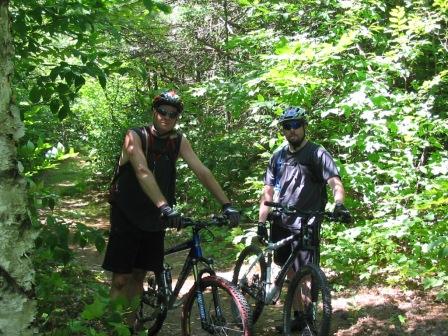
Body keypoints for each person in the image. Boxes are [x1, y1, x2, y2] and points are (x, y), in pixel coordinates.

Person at [102, 90, 240, 328]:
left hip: (154, 218)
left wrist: (226, 204)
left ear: (177, 118)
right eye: (162, 111)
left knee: (138, 275)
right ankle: (113, 330)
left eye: (172, 114)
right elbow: (142, 171)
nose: (166, 117)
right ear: (153, 112)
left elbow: (202, 171)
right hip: (127, 214)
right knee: (121, 279)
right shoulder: (135, 136)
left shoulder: (178, 141)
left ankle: (129, 327)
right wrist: (165, 207)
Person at [257, 106, 351, 333]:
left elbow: (335, 182)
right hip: (280, 221)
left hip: (307, 223)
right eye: (287, 127)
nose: (292, 131)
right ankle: (299, 315)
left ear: (304, 126)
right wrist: (261, 222)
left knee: (306, 272)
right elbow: (267, 191)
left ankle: (309, 318)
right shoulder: (278, 156)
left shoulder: (317, 154)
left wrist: (338, 205)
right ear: (283, 130)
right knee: (289, 271)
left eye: (296, 125)